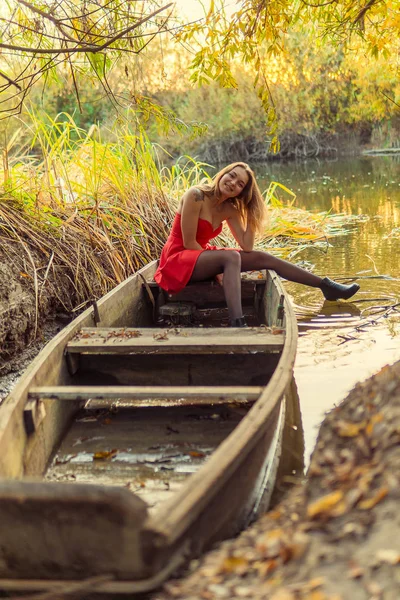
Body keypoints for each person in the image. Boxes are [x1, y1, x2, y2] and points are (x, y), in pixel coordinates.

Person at [154, 162, 360, 326]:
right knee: (230, 257)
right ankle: (238, 322)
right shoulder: (196, 195)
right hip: (178, 258)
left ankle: (326, 286)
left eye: (240, 184)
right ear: (223, 173)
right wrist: (214, 270)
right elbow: (189, 242)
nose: (233, 183)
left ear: (241, 192)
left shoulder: (230, 208)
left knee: (262, 258)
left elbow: (247, 246)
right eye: (231, 176)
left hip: (200, 257)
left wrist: (251, 213)